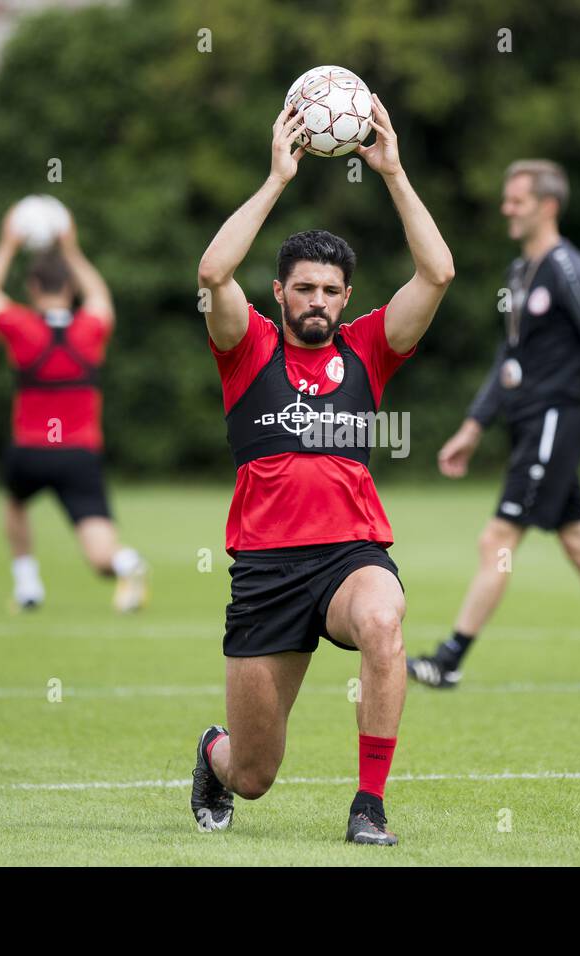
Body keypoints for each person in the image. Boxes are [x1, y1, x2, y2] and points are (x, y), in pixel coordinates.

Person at [190, 97, 453, 845]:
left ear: (346, 298)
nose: (318, 301)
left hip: (349, 555)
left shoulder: (369, 348)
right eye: (303, 288)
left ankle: (368, 806)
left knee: (383, 618)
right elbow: (212, 271)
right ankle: (214, 754)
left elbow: (438, 271)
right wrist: (276, 178)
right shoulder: (248, 347)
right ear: (279, 293)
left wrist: (395, 174)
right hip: (267, 571)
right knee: (254, 775)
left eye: (331, 290)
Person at [407, 159, 580, 690]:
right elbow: (510, 359)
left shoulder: (570, 269)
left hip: (553, 424)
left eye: (517, 200)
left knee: (497, 537)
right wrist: (474, 426)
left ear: (547, 206)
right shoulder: (520, 274)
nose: (507, 209)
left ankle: (449, 660)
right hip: (528, 424)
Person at [0, 204, 148, 613]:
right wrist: (71, 248)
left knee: (15, 505)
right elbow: (101, 297)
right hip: (78, 454)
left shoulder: (21, 328)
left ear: (33, 286)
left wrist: (6, 244)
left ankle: (28, 585)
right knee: (100, 554)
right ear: (70, 288)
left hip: (30, 451)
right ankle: (124, 562)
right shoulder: (90, 329)